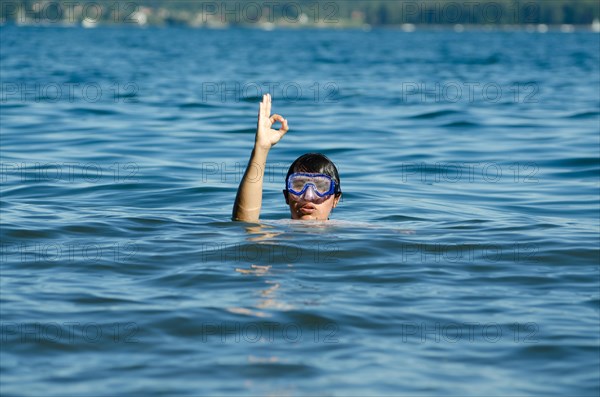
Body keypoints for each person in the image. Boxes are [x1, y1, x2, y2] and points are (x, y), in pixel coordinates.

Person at [232, 94, 342, 222]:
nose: (308, 196)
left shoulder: (354, 231)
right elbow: (244, 223)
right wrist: (261, 150)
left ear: (336, 200)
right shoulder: (279, 232)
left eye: (322, 187)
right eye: (299, 185)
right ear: (286, 196)